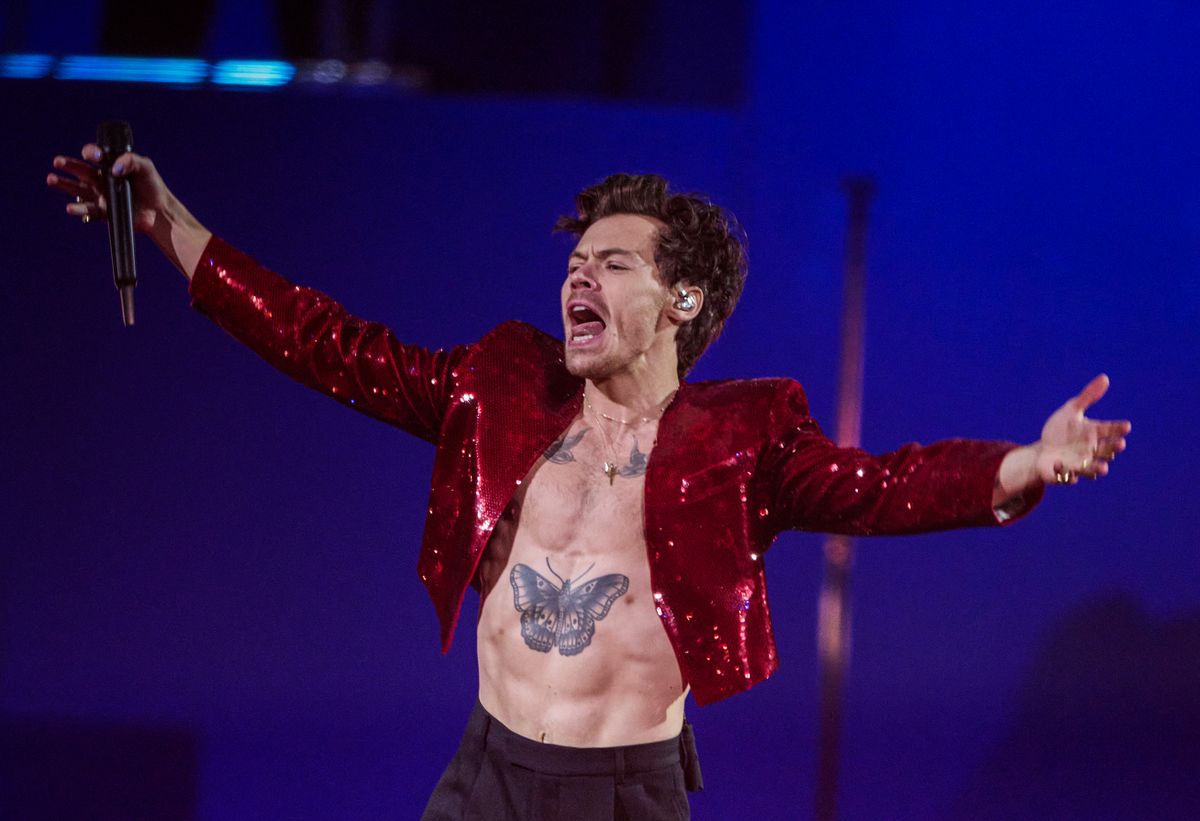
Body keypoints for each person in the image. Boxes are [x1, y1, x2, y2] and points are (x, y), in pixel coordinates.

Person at [47, 144, 1130, 819]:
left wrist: (1024, 461)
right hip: (487, 773)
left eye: (614, 263)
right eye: (576, 261)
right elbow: (332, 346)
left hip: (623, 793)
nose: (579, 274)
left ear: (684, 302)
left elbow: (880, 485)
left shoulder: (742, 438)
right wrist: (173, 229)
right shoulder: (499, 388)